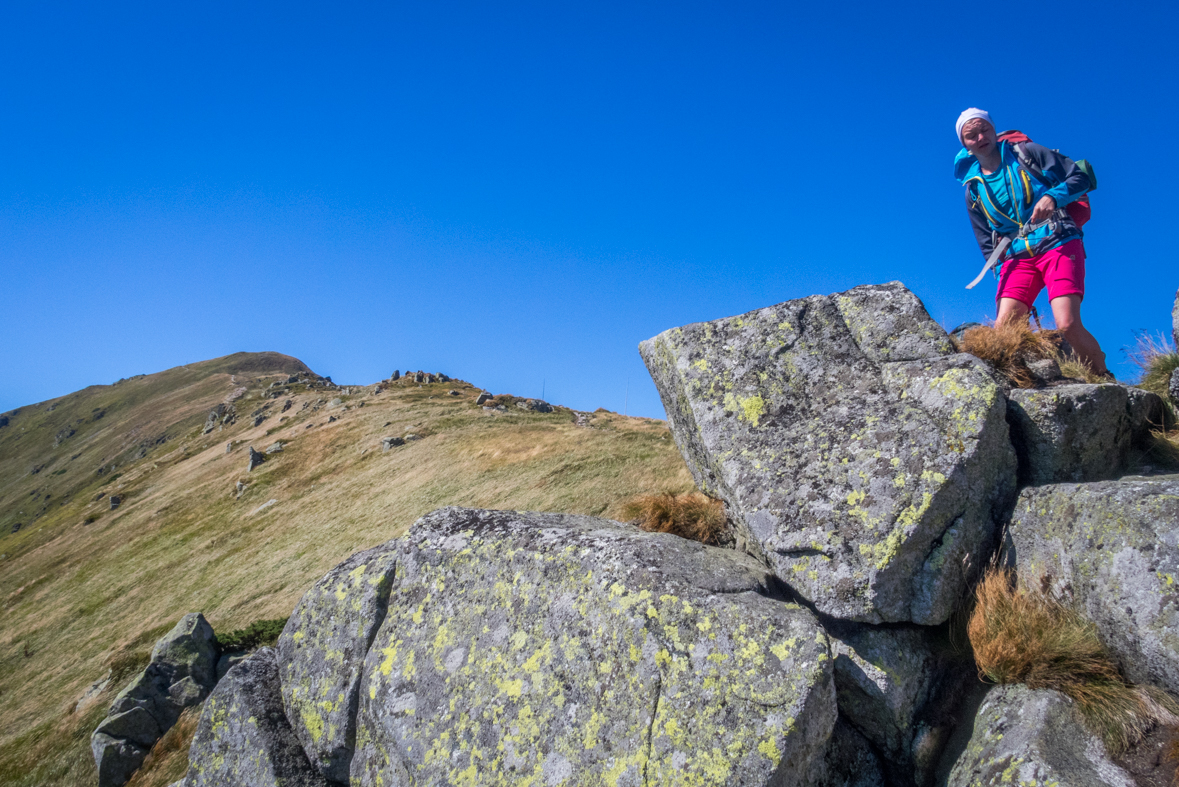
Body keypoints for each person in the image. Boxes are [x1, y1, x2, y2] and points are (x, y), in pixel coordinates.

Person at [953, 108, 1109, 376]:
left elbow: (1080, 177)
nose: (980, 137)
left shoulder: (1027, 153)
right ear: (964, 145)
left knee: (1067, 324)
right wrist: (1000, 270)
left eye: (984, 130)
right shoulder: (973, 190)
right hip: (1015, 258)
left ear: (993, 129)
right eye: (971, 135)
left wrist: (1053, 197)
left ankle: (1102, 378)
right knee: (1005, 331)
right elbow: (985, 241)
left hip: (1057, 240)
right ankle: (1024, 385)